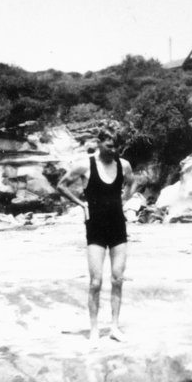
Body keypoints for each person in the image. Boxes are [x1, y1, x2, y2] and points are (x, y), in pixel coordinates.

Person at [57, 129, 137, 343]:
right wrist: (81, 204)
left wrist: (124, 200)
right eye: (109, 146)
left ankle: (114, 327)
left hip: (118, 226)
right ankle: (94, 329)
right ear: (99, 143)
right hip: (96, 228)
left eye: (117, 147)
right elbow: (61, 185)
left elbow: (133, 182)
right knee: (95, 282)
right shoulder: (85, 164)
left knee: (118, 279)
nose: (114, 150)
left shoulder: (123, 165)